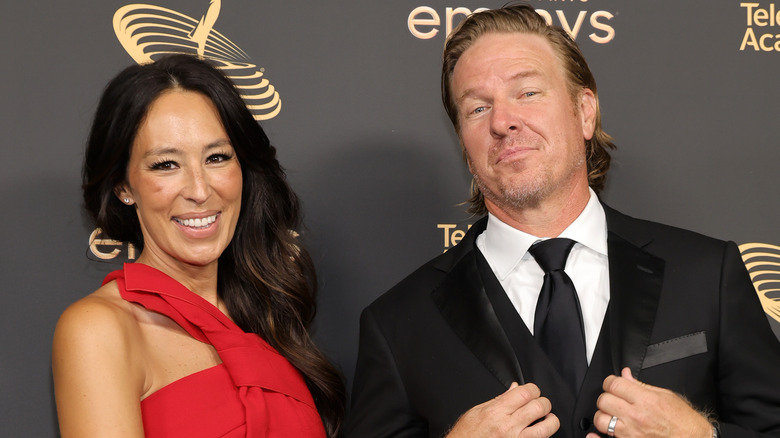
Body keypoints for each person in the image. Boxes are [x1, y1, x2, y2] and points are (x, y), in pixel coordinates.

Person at [346, 4, 780, 438]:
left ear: (585, 112)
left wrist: (703, 437)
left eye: (528, 92)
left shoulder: (707, 274)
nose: (503, 121)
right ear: (463, 140)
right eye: (477, 108)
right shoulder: (398, 325)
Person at [53, 54, 345, 437]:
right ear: (124, 186)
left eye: (217, 158)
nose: (199, 189)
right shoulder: (98, 330)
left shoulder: (265, 320)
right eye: (165, 165)